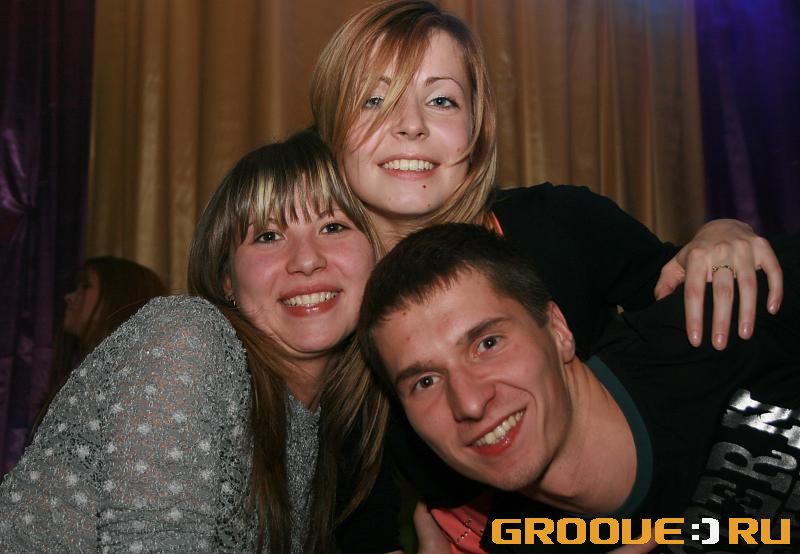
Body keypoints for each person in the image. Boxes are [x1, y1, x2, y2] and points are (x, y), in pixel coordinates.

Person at [309, 0, 784, 538]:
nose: (411, 125)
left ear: (475, 129)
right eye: (374, 99)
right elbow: (362, 520)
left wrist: (720, 235)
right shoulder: (329, 310)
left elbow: (694, 336)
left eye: (441, 100)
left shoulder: (562, 222)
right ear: (332, 129)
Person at [0, 130, 388, 553]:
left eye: (333, 226)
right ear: (226, 280)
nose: (307, 260)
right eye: (268, 236)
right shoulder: (187, 336)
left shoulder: (335, 427)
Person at [359, 223, 800, 552]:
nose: (470, 402)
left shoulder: (720, 323)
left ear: (558, 330)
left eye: (488, 343)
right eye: (425, 381)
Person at [50, 256, 167, 393]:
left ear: (119, 297)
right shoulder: (85, 374)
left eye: (86, 286)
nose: (69, 297)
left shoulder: (137, 383)